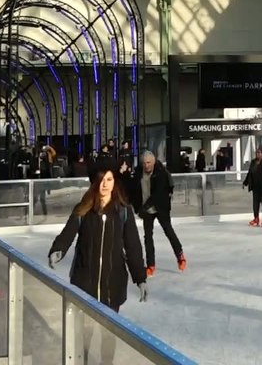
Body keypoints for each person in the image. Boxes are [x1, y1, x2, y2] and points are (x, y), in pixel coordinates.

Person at [48, 165, 148, 364]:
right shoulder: (84, 208)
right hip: (85, 282)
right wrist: (58, 249)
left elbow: (133, 247)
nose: (105, 184)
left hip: (113, 283)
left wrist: (140, 278)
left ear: (114, 183)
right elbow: (68, 231)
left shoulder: (123, 211)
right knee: (84, 334)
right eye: (102, 180)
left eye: (109, 180)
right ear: (95, 182)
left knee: (108, 335)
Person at [133, 152, 185, 275]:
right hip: (146, 210)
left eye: (149, 162)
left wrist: (144, 207)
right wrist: (138, 208)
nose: (146, 165)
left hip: (160, 207)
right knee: (148, 237)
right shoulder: (138, 173)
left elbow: (158, 194)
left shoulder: (160, 172)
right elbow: (134, 192)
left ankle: (180, 256)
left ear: (154, 161)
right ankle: (151, 265)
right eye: (144, 163)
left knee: (168, 231)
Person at [243, 146, 262, 227]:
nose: (258, 154)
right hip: (255, 187)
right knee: (255, 204)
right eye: (257, 152)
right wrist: (245, 182)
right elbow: (250, 173)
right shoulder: (253, 162)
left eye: (259, 152)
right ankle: (256, 218)